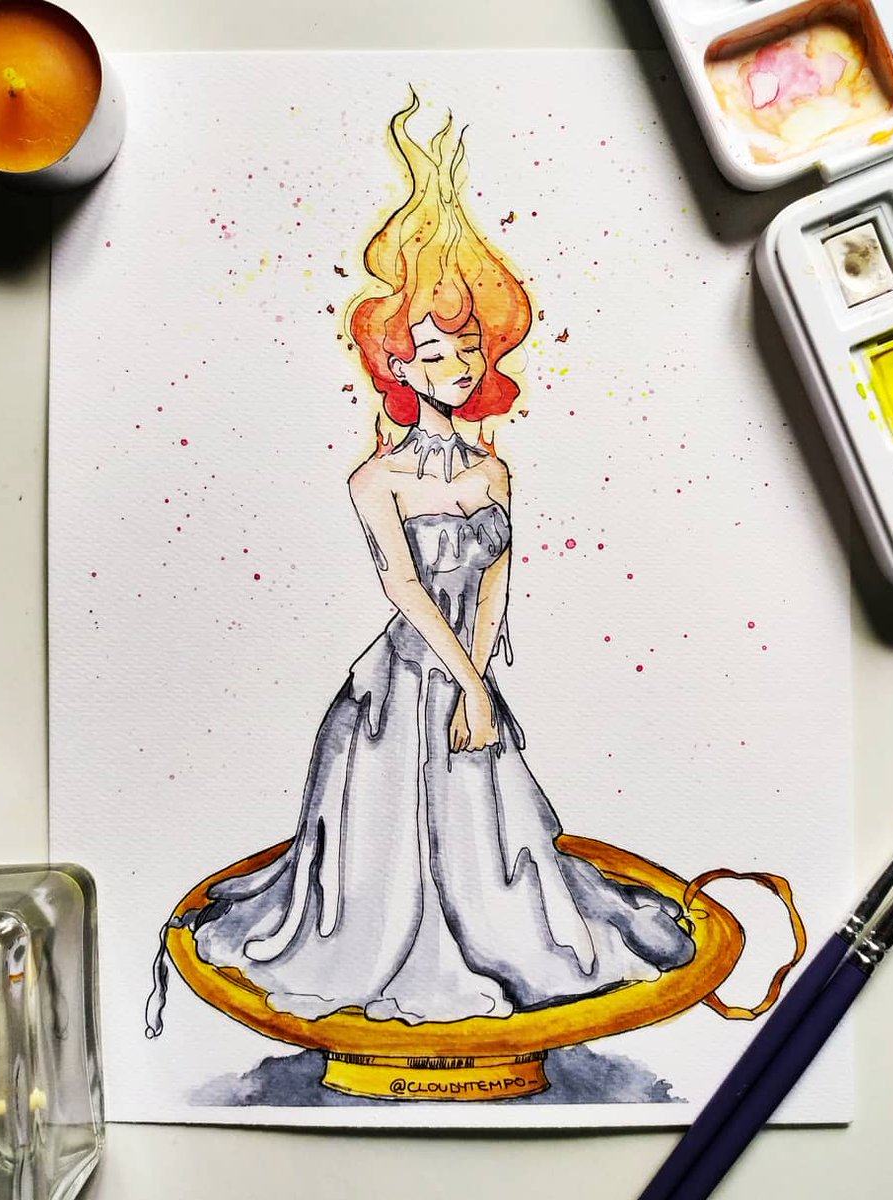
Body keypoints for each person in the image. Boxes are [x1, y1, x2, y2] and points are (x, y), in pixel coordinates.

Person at [146, 94, 694, 1036]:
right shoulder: (375, 480)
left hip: (467, 667)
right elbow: (403, 587)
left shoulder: (493, 470)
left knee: (498, 844)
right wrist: (464, 685)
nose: (459, 366)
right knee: (390, 860)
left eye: (470, 348)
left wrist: (482, 679)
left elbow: (497, 582)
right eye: (438, 354)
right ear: (399, 369)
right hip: (400, 683)